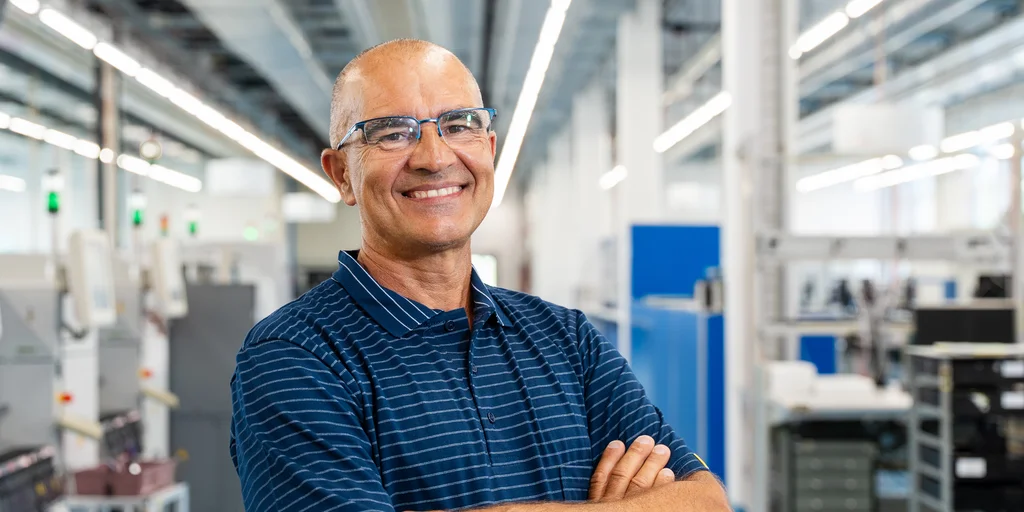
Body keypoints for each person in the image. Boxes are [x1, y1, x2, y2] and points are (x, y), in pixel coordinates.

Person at [229, 39, 730, 512]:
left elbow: (706, 500)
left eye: (459, 124)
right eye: (392, 132)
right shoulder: (295, 357)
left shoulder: (568, 340)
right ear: (341, 174)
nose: (434, 157)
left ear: (488, 147)